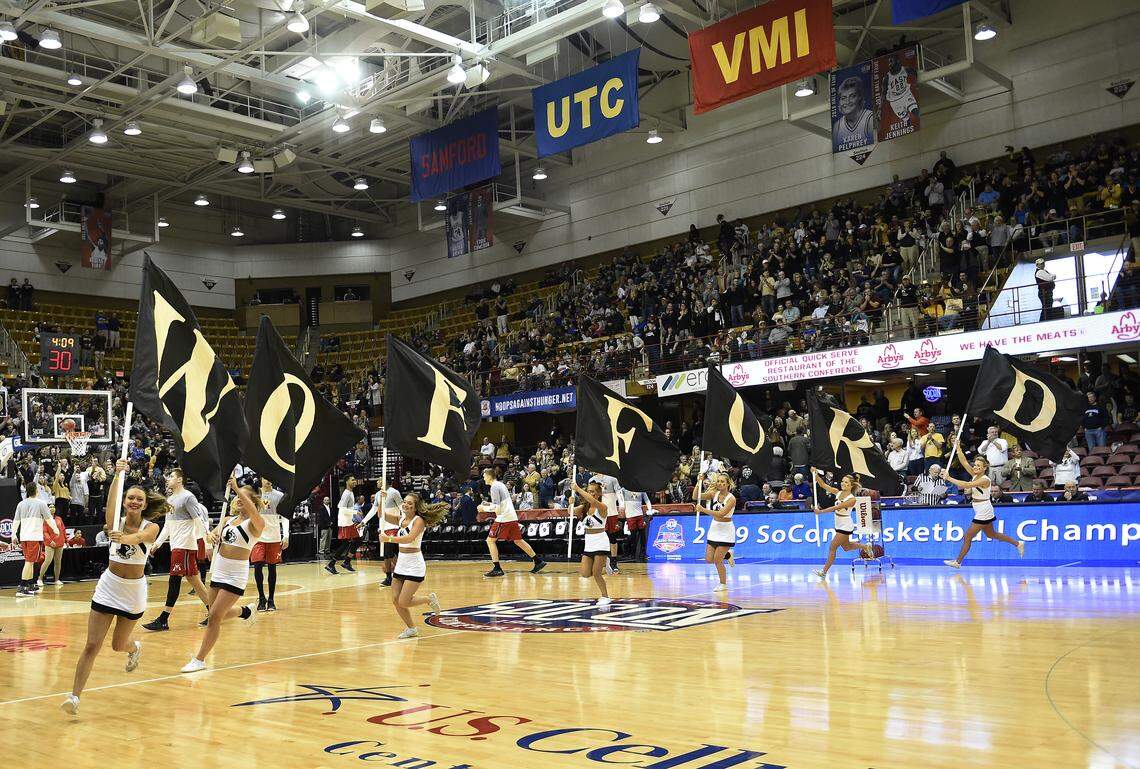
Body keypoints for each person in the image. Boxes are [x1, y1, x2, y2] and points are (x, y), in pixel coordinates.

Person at [61, 459, 166, 715]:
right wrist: (118, 475)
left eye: (139, 499)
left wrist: (126, 538)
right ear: (125, 499)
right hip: (109, 587)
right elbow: (110, 505)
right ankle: (74, 697)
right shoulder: (115, 521)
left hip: (133, 592)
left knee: (118, 645)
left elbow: (141, 538)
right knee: (91, 645)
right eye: (130, 497)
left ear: (145, 503)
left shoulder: (150, 526)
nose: (134, 502)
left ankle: (135, 647)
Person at [180, 479, 263, 672]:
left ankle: (200, 659)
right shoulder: (227, 520)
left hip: (235, 574)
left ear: (252, 501)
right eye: (237, 496)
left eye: (245, 496)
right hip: (219, 570)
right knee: (214, 613)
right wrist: (211, 537)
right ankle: (245, 612)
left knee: (215, 616)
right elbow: (212, 536)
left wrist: (236, 488)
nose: (239, 499)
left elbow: (255, 515)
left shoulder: (255, 523)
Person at [142, 469, 211, 631]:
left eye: (172, 476)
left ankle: (163, 619)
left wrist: (207, 544)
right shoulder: (170, 499)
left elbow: (199, 521)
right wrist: (157, 543)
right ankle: (214, 612)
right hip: (176, 545)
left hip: (185, 546)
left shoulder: (188, 497)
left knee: (174, 579)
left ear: (180, 480)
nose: (168, 479)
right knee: (195, 580)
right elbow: (167, 526)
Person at [940, 442, 1024, 568]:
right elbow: (964, 462)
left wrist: (949, 478)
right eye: (975, 465)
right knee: (991, 534)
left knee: (968, 536)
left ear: (985, 468)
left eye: (979, 466)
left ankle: (958, 562)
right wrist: (958, 448)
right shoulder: (974, 475)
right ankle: (1018, 544)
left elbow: (966, 485)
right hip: (980, 508)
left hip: (984, 509)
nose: (976, 467)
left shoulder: (985, 479)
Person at [479, 467, 545, 577]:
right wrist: (488, 505)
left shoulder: (494, 487)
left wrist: (483, 509)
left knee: (490, 541)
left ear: (489, 476)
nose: (483, 478)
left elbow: (498, 509)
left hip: (504, 518)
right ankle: (538, 561)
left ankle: (497, 568)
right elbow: (500, 504)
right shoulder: (501, 485)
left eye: (484, 476)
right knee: (518, 540)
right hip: (511, 516)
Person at [810, 469, 873, 579]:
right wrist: (815, 474)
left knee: (832, 547)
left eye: (846, 482)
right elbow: (823, 485)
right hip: (838, 524)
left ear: (851, 486)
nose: (843, 484)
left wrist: (821, 512)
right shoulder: (837, 492)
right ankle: (865, 546)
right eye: (842, 481)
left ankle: (824, 572)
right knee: (847, 547)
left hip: (846, 525)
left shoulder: (852, 499)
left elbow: (836, 507)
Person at [13, 480, 59, 596]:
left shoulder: (21, 504)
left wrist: (13, 535)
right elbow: (49, 519)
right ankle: (22, 587)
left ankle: (30, 584)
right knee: (29, 562)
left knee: (31, 561)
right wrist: (56, 530)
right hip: (34, 537)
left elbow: (16, 521)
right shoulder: (41, 503)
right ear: (36, 491)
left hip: (24, 537)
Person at [571, 480, 612, 606]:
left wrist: (578, 489)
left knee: (596, 573)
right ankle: (606, 563)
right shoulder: (585, 508)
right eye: (589, 491)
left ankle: (605, 597)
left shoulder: (602, 507)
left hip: (601, 541)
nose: (590, 494)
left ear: (598, 493)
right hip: (589, 543)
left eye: (593, 491)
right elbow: (570, 512)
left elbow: (593, 501)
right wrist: (570, 504)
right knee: (585, 574)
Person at [694, 473, 737, 591]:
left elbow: (721, 514)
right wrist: (699, 481)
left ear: (728, 483)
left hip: (726, 530)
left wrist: (703, 510)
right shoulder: (713, 494)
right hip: (714, 528)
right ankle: (728, 555)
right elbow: (695, 496)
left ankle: (723, 584)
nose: (720, 483)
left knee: (718, 560)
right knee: (709, 559)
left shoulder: (731, 498)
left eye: (723, 481)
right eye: (718, 481)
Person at [251, 478, 287, 612]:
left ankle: (271, 599)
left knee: (272, 568)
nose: (269, 480)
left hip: (274, 537)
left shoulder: (280, 496)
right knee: (257, 565)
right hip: (258, 537)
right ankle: (261, 598)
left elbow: (285, 516)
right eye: (266, 477)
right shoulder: (255, 496)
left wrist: (286, 535)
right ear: (261, 479)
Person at [360, 479, 402, 588]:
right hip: (383, 528)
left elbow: (402, 508)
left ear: (385, 481)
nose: (377, 481)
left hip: (393, 527)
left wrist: (403, 522)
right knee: (385, 554)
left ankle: (402, 572)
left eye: (379, 479)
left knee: (388, 552)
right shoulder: (378, 495)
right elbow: (373, 510)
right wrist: (363, 521)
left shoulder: (394, 492)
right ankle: (389, 577)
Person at [588, 472, 623, 574]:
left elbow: (619, 492)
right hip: (597, 513)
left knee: (612, 537)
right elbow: (589, 497)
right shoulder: (592, 480)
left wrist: (621, 504)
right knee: (598, 537)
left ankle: (614, 562)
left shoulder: (612, 478)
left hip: (611, 512)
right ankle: (600, 561)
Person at [326, 476, 359, 574]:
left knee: (357, 540)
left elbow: (339, 505)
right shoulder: (346, 494)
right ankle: (331, 564)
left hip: (349, 521)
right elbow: (342, 509)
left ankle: (347, 562)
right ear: (347, 481)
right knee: (345, 543)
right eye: (352, 480)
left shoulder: (350, 493)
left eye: (354, 479)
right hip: (345, 522)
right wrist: (356, 512)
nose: (354, 481)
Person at [621, 487, 652, 561]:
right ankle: (629, 550)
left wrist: (650, 510)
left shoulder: (641, 489)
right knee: (633, 536)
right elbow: (618, 497)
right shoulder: (624, 490)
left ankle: (643, 553)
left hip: (639, 515)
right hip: (630, 516)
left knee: (642, 535)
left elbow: (647, 500)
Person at [41, 508, 67, 586]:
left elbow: (63, 529)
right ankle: (39, 578)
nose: (52, 508)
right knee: (48, 560)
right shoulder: (45, 519)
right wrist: (49, 540)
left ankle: (57, 579)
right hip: (50, 543)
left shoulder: (59, 518)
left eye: (53, 507)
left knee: (58, 562)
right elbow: (44, 532)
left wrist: (66, 540)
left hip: (60, 542)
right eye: (50, 507)